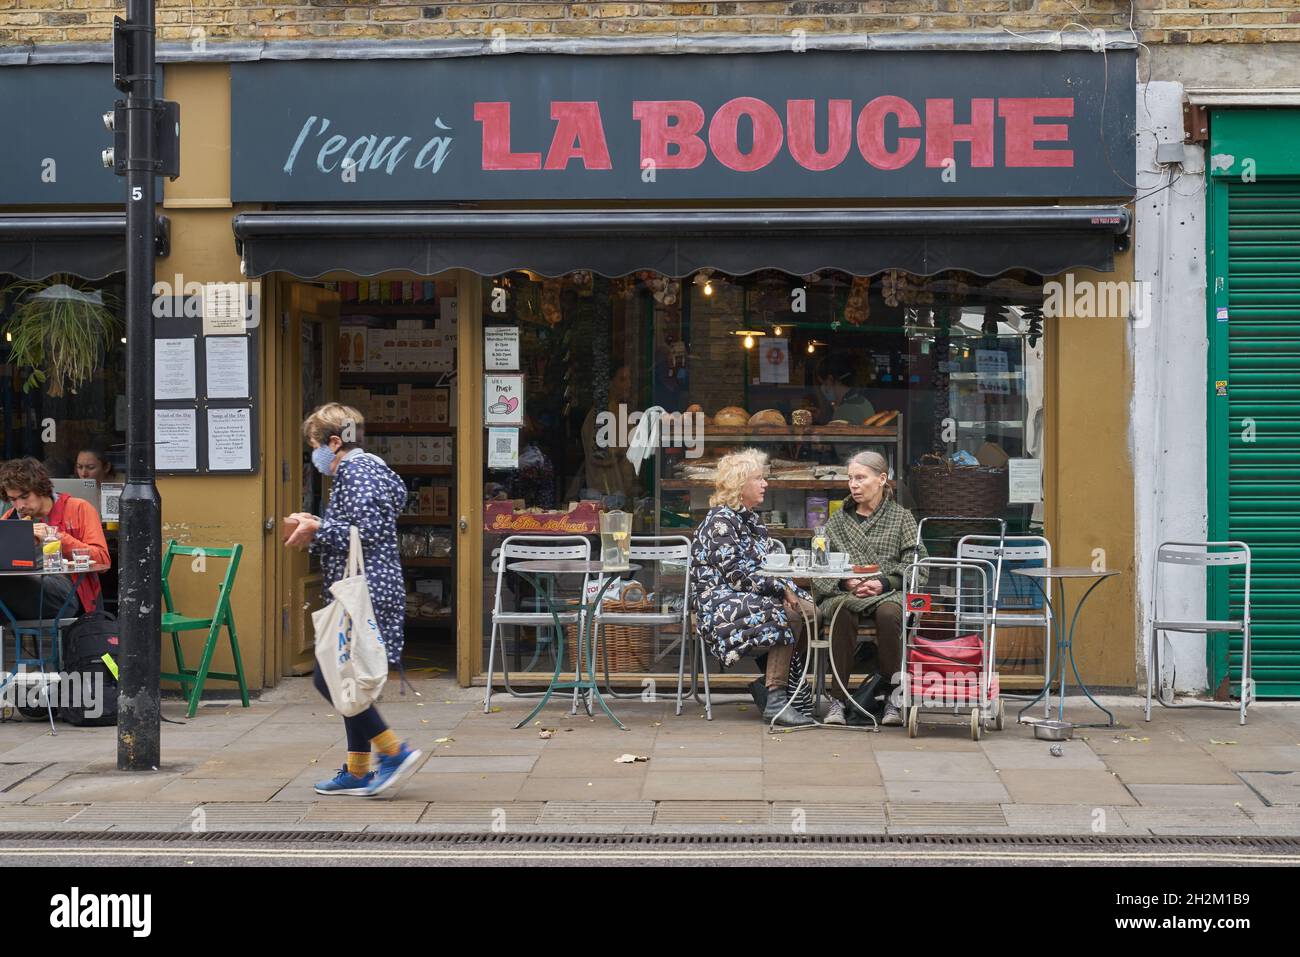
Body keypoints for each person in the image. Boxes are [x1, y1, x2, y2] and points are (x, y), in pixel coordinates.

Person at [282, 403, 423, 797]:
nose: (315, 456)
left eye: (314, 446)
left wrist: (319, 528)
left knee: (329, 678)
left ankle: (392, 752)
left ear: (332, 442)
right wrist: (319, 524)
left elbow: (370, 531)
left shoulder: (357, 472)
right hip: (365, 588)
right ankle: (359, 770)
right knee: (346, 679)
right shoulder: (363, 471)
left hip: (365, 590)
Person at [689, 448, 814, 727]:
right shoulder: (721, 520)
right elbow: (736, 577)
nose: (765, 484)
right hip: (720, 601)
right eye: (758, 478)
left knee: (811, 610)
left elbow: (765, 568)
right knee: (787, 613)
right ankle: (777, 699)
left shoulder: (752, 520)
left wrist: (786, 588)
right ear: (739, 485)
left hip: (750, 594)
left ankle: (788, 684)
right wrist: (781, 590)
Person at [811, 450, 927, 726]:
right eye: (851, 478)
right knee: (841, 613)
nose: (854, 484)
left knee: (889, 615)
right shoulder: (838, 520)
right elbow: (820, 563)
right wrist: (844, 581)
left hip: (888, 591)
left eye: (861, 478)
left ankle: (890, 697)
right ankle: (838, 700)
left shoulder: (901, 518)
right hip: (845, 593)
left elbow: (917, 562)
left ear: (881, 479)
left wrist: (884, 582)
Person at [0, 457, 110, 619]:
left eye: (24, 496)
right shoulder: (12, 517)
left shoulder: (79, 508)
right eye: (13, 499)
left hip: (68, 595)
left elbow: (103, 560)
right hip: (20, 597)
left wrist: (56, 537)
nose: (19, 506)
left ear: (40, 488)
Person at [815, 353, 875, 424]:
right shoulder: (863, 401)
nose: (822, 388)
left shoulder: (845, 410)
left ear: (830, 380)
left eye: (823, 383)